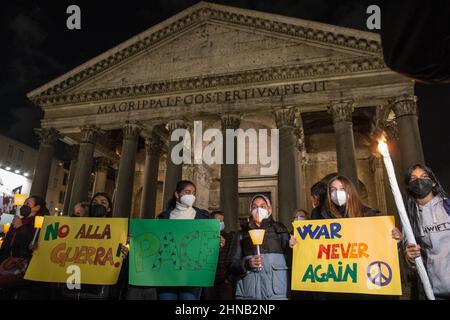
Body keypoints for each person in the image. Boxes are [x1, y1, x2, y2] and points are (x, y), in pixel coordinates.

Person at [315, 175, 402, 299]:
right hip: (338, 287)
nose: (337, 193)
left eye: (342, 188)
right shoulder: (322, 218)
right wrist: (298, 244)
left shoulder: (370, 216)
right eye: (333, 190)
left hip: (365, 285)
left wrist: (395, 241)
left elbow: (383, 249)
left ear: (350, 191)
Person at [228, 194, 296, 300]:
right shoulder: (241, 234)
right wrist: (247, 264)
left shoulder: (280, 231)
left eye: (263, 206)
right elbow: (231, 265)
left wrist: (292, 248)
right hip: (248, 295)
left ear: (269, 210)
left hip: (277, 295)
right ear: (250, 210)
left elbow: (292, 262)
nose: (258, 210)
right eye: (255, 207)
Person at [157, 180, 211, 300]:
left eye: (193, 193)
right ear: (177, 194)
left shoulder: (202, 217)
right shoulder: (164, 217)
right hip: (168, 272)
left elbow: (208, 241)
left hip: (191, 274)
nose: (191, 196)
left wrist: (218, 240)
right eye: (187, 192)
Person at [403, 164, 450, 300]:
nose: (419, 181)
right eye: (414, 179)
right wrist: (410, 256)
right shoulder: (409, 218)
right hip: (435, 291)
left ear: (433, 182)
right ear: (409, 186)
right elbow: (410, 261)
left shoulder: (448, 206)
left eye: (424, 177)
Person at [0, 196, 49, 299]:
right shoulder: (20, 220)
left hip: (22, 270)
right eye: (24, 203)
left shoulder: (39, 224)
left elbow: (33, 245)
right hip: (7, 266)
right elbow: (8, 244)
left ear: (37, 207)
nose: (24, 206)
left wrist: (21, 228)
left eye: (28, 204)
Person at [204, 210, 234, 300]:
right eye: (218, 221)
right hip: (208, 279)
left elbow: (231, 257)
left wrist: (229, 278)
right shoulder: (204, 237)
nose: (221, 223)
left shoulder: (228, 237)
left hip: (224, 281)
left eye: (222, 221)